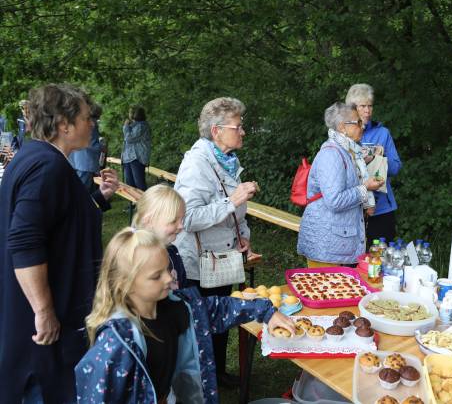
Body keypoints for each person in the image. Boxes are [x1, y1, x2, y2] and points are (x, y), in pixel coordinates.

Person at [75, 228, 294, 404]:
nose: (169, 278)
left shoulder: (181, 306)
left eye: (167, 268)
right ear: (126, 284)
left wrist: (265, 312)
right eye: (156, 276)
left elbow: (220, 308)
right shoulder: (116, 343)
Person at [0, 83, 119, 403]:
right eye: (85, 117)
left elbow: (57, 221)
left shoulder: (37, 157)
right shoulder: (47, 167)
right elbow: (24, 240)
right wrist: (43, 310)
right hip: (40, 331)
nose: (91, 124)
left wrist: (98, 199)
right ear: (63, 125)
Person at [173, 96, 259, 387]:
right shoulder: (197, 164)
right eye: (238, 126)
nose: (243, 131)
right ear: (216, 131)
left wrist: (243, 236)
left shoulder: (228, 161)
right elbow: (187, 217)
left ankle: (217, 372)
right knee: (201, 324)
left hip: (223, 258)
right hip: (199, 264)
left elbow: (235, 211)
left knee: (221, 319)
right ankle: (197, 382)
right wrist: (232, 199)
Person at [297, 102, 385, 267]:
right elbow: (335, 200)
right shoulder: (331, 154)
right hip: (327, 249)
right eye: (358, 122)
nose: (363, 126)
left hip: (336, 245)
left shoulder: (347, 152)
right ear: (342, 127)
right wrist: (365, 188)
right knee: (325, 292)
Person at [345, 84, 402, 247]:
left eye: (370, 106)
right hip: (353, 209)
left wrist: (381, 158)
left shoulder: (383, 133)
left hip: (381, 209)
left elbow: (396, 167)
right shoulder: (343, 133)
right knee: (352, 263)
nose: (367, 111)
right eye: (363, 106)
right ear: (352, 108)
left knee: (381, 262)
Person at [132, 184, 188, 289]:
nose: (181, 226)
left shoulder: (171, 250)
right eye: (173, 221)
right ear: (149, 221)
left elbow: (184, 288)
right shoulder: (139, 260)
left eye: (182, 219)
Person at [69, 103, 102, 191]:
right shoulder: (92, 124)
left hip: (76, 160)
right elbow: (92, 144)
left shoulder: (80, 122)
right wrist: (101, 146)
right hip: (86, 161)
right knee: (85, 191)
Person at [122, 105, 151, 190]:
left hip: (137, 158)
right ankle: (133, 203)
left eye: (130, 112)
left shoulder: (142, 126)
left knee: (139, 183)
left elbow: (129, 138)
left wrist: (126, 126)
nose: (129, 114)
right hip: (129, 158)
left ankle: (144, 203)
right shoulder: (134, 125)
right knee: (130, 183)